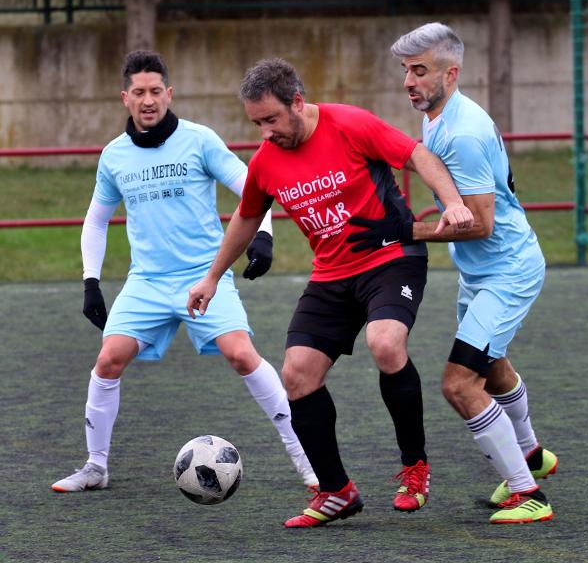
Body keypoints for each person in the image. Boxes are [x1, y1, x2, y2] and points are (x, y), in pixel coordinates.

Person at [186, 57, 474, 528]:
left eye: (272, 119)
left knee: (385, 343)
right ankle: (336, 491)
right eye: (256, 123)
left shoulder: (349, 124)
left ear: (297, 102)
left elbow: (418, 155)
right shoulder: (266, 161)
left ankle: (414, 467)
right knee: (297, 374)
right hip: (331, 274)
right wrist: (213, 276)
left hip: (388, 257)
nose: (265, 133)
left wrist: (456, 203)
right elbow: (246, 215)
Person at [51, 50, 317, 494]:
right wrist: (90, 281)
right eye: (139, 92)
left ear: (169, 93)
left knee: (242, 354)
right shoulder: (114, 156)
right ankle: (96, 467)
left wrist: (263, 237)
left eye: (156, 90)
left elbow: (254, 186)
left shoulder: (200, 140)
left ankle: (307, 462)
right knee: (108, 359)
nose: (148, 99)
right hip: (147, 281)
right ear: (125, 98)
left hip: (204, 275)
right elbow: (96, 220)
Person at [347, 22, 558, 524]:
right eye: (405, 70)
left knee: (460, 384)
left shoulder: (461, 132)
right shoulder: (440, 114)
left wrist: (404, 233)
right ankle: (531, 455)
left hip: (507, 271)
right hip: (483, 272)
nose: (408, 82)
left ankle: (528, 494)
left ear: (451, 73)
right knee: (493, 366)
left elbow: (481, 224)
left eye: (419, 71)